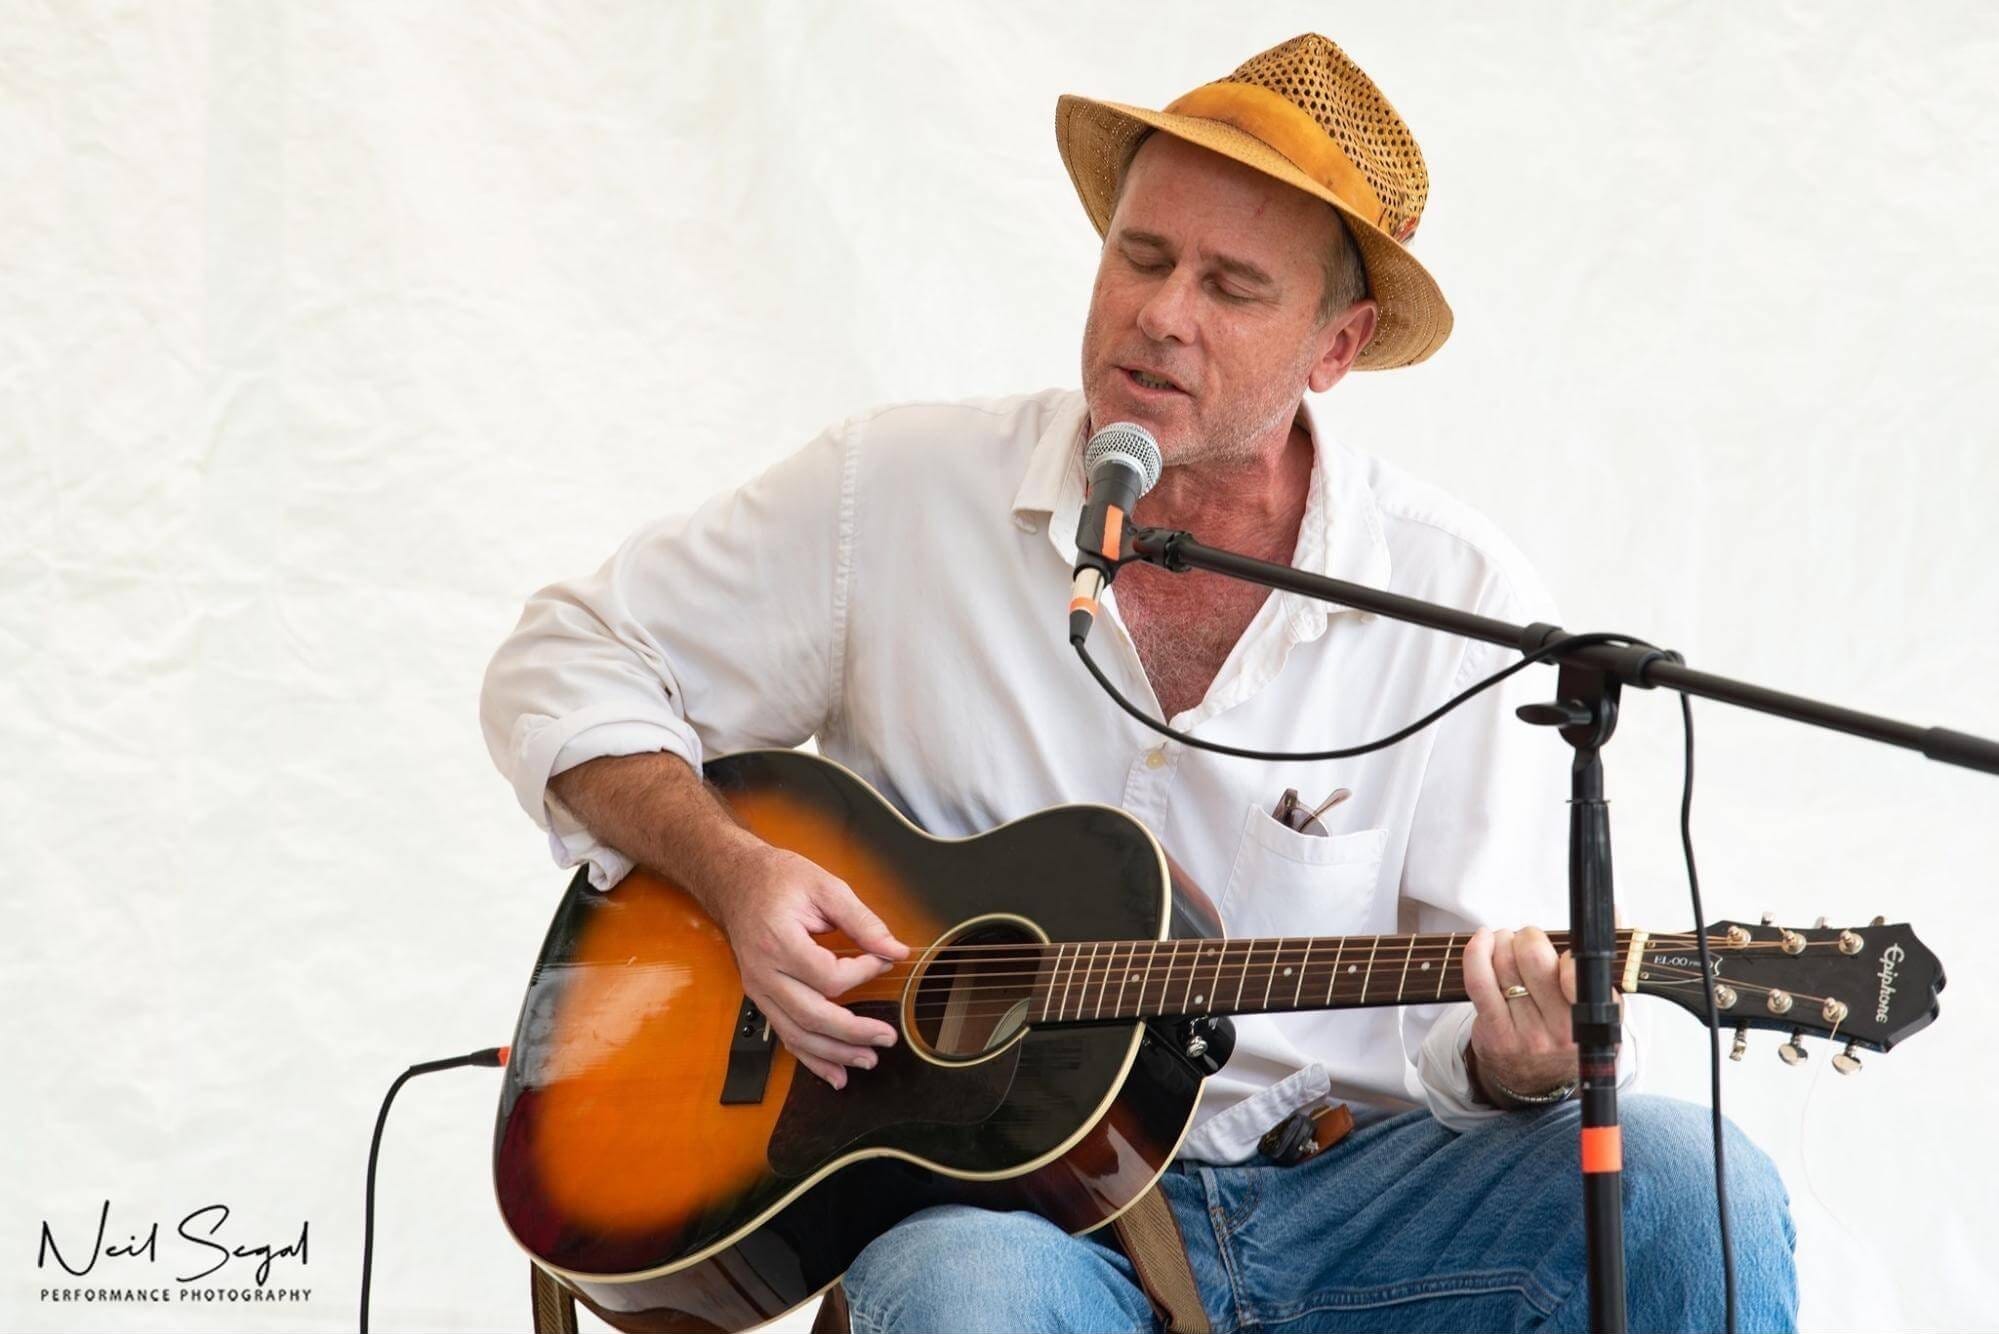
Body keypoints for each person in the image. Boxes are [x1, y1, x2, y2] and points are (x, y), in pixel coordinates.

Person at [480, 31, 1797, 1334]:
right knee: (964, 1291)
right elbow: (568, 660)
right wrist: (731, 869)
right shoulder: (897, 495)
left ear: (1335, 347)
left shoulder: (1458, 597)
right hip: (1017, 1221)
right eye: (1142, 254)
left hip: (1346, 1200)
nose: (1162, 313)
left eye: (1231, 286)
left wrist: (1518, 1061)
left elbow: (1470, 1024)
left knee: (1698, 1189)